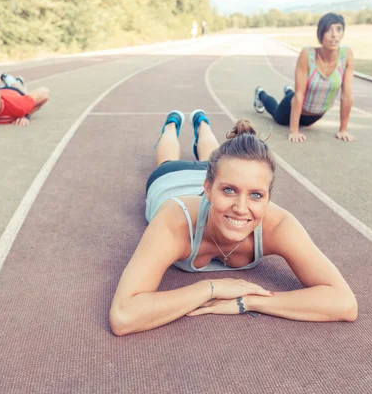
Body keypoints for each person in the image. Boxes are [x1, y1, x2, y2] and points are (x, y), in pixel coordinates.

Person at [109, 109, 358, 336]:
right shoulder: (176, 222)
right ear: (208, 189)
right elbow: (123, 315)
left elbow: (344, 303)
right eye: (229, 191)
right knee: (167, 160)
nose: (241, 208)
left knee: (215, 161)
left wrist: (248, 301)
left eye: (256, 195)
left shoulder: (278, 225)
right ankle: (172, 126)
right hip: (171, 179)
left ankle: (202, 124)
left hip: (216, 171)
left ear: (268, 197)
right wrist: (211, 288)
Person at [253, 13, 355, 142]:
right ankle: (260, 94)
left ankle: (289, 91)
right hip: (293, 107)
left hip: (314, 116)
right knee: (277, 116)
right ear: (320, 34)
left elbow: (347, 95)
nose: (334, 35)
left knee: (305, 124)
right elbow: (300, 94)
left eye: (338, 29)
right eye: (329, 30)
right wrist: (294, 130)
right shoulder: (308, 54)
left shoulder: (346, 55)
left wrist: (343, 130)